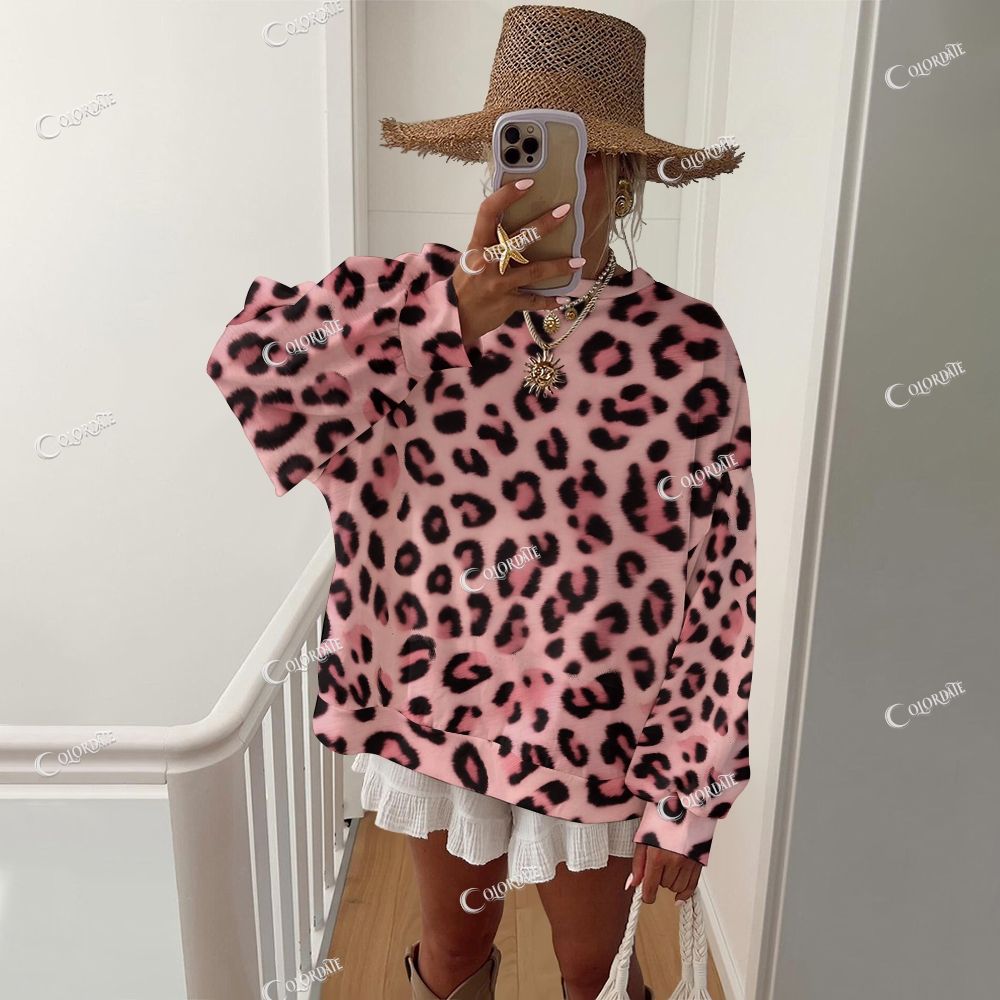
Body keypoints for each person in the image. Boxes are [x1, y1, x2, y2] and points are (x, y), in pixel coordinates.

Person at [206, 6, 754, 999]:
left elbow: (721, 583)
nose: (556, 181)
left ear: (628, 172)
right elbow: (252, 369)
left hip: (598, 724)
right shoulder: (401, 299)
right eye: (522, 148)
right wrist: (451, 312)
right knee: (452, 953)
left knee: (595, 967)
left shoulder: (686, 346)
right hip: (438, 705)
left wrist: (692, 788)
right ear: (492, 163)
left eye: (584, 152)